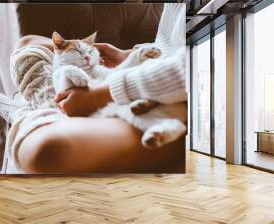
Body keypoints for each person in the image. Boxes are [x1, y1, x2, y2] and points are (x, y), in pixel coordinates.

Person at [14, 4, 186, 173]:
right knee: (28, 42)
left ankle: (40, 107)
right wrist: (129, 55)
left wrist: (103, 94)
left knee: (45, 152)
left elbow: (202, 61)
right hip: (156, 68)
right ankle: (47, 105)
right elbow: (175, 43)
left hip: (183, 94)